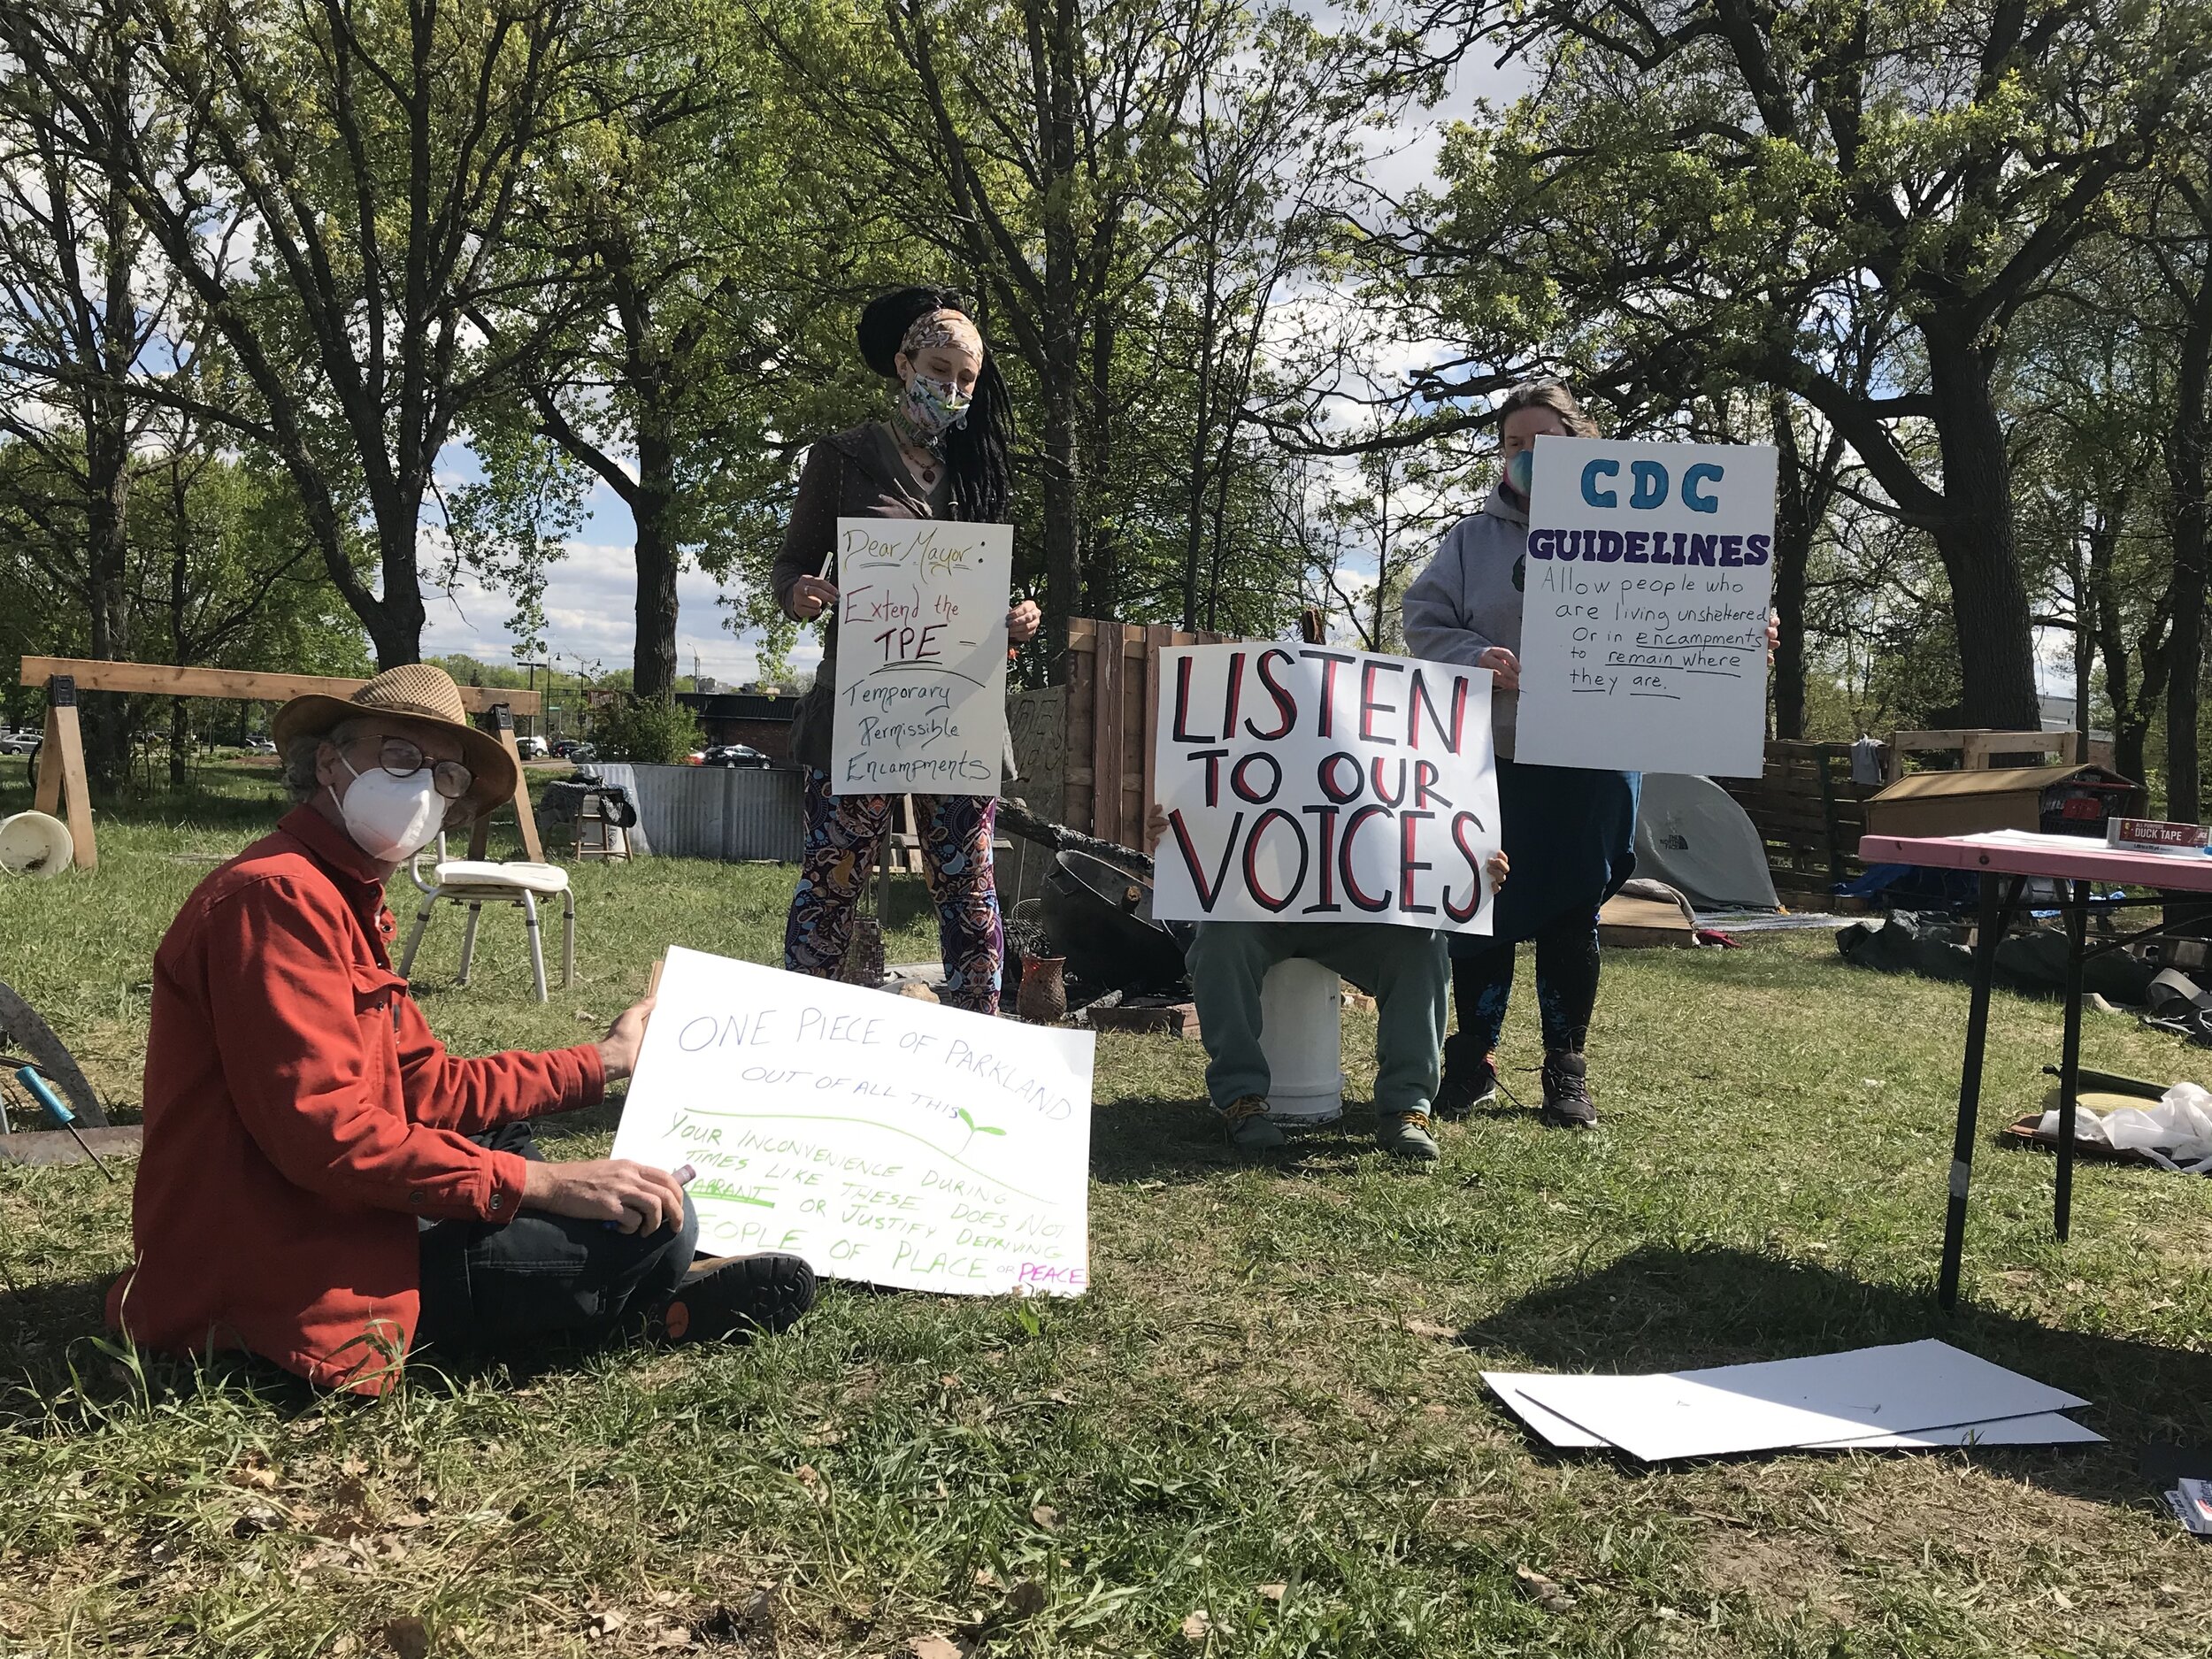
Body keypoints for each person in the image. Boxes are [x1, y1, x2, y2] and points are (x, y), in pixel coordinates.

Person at [110, 664, 815, 1395]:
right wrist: (545, 1182)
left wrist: (604, 1059)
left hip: (336, 1210)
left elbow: (430, 1085)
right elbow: (328, 1138)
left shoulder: (334, 891)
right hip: (290, 1260)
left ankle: (623, 1280)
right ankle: (648, 1302)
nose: (423, 788)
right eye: (401, 757)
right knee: (660, 1229)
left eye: (445, 775)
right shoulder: (278, 898)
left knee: (514, 1139)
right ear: (329, 761)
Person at [1402, 381, 1776, 1129]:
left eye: (1547, 444)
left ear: (1584, 450)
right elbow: (1423, 621)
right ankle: (1471, 1058)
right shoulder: (1470, 541)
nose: (1529, 457)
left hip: (1598, 759)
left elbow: (1702, 613)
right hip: (1494, 758)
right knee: (1485, 906)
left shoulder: (1655, 528)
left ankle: (1565, 1070)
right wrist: (1476, 654)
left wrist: (1745, 634)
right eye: (1515, 446)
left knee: (1576, 913)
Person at [774, 287, 1041, 1014]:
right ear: (903, 363)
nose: (951, 386)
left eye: (967, 377)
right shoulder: (841, 458)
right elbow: (791, 562)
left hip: (956, 713)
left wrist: (1016, 620)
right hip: (863, 706)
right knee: (833, 876)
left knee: (969, 882)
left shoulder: (979, 469)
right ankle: (803, 1030)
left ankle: (980, 1037)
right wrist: (798, 589)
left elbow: (983, 595)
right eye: (937, 366)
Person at [1146, 804, 1509, 1163]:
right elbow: (1203, 800)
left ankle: (1407, 1108)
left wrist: (1472, 868)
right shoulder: (1236, 747)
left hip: (1358, 913)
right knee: (1219, 946)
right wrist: (1175, 833)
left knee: (1421, 950)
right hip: (1253, 907)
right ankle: (1239, 1100)